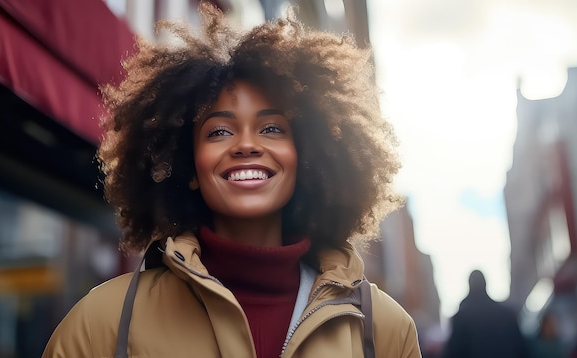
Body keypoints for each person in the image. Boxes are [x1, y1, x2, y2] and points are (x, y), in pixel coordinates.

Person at [42, 3, 421, 357]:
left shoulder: (381, 329)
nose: (246, 145)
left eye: (272, 128)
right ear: (188, 168)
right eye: (219, 132)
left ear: (306, 160)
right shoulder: (102, 325)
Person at [441, 270, 529, 358]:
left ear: (469, 285)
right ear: (485, 284)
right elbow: (521, 350)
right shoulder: (508, 314)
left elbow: (453, 353)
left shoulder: (461, 318)